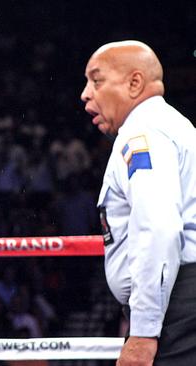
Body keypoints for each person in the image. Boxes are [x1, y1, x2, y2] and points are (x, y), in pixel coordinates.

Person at [81, 40, 196, 365]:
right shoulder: (174, 126)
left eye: (97, 80)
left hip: (178, 305)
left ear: (134, 83)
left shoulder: (142, 135)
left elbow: (158, 227)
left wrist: (144, 333)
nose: (86, 93)